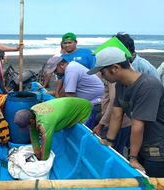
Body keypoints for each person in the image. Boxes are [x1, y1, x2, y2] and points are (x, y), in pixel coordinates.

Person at [87, 47, 164, 177]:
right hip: (140, 144)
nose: (101, 76)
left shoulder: (148, 86)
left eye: (103, 72)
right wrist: (109, 140)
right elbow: (117, 115)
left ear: (115, 68)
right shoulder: (120, 85)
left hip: (157, 147)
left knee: (153, 182)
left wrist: (133, 158)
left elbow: (138, 125)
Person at [14, 97, 92, 160]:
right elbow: (34, 134)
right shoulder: (32, 110)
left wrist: (42, 161)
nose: (28, 127)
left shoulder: (46, 123)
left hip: (84, 110)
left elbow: (47, 144)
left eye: (27, 125)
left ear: (31, 121)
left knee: (83, 140)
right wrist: (37, 153)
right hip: (69, 105)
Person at [45, 56, 104, 129]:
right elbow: (64, 91)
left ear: (62, 65)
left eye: (55, 70)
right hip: (92, 100)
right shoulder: (71, 66)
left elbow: (70, 97)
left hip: (95, 104)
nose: (55, 73)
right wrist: (50, 93)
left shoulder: (71, 70)